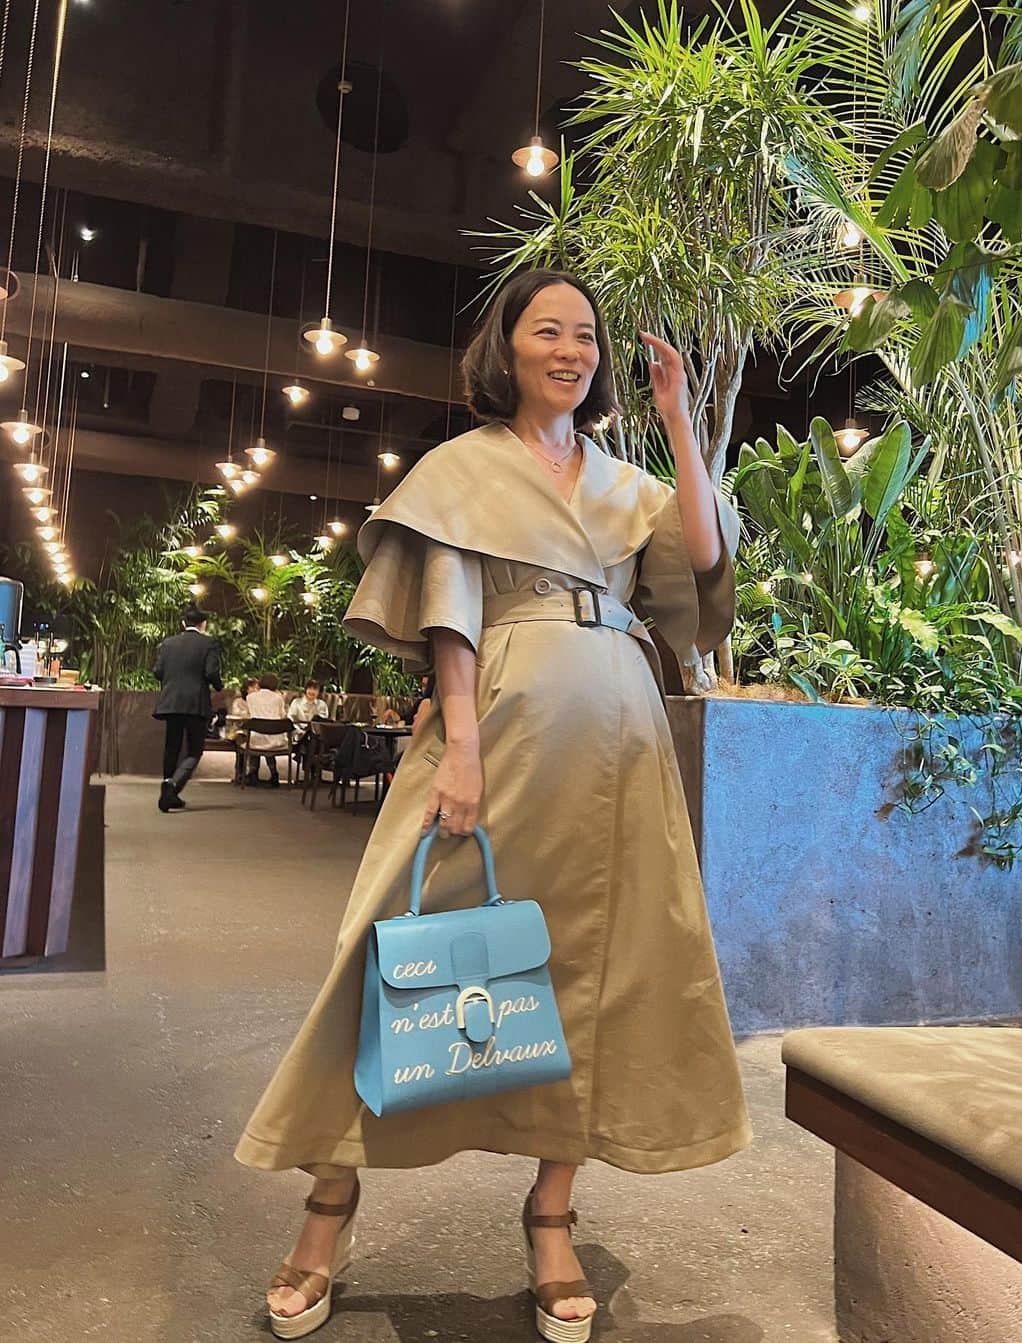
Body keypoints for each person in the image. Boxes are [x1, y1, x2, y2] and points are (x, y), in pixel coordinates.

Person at [236, 268, 750, 1342]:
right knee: (395, 943)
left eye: (586, 336)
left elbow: (696, 572)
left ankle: (552, 1213)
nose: (570, 348)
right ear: (506, 348)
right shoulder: (460, 470)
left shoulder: (623, 483)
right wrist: (458, 748)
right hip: (503, 729)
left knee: (600, 974)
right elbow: (449, 617)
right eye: (546, 330)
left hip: (621, 740)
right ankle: (327, 1205)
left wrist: (680, 425)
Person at [152, 606, 222, 813]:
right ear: (203, 624)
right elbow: (210, 672)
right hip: (195, 703)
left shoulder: (168, 643)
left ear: (184, 624)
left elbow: (157, 671)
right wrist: (219, 686)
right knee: (195, 750)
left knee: (171, 747)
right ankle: (173, 785)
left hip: (171, 702)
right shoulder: (208, 643)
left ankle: (168, 788)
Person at [244, 673, 288, 787]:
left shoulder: (250, 697)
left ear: (260, 683)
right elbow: (283, 715)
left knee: (254, 737)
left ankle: (253, 773)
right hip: (276, 740)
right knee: (268, 738)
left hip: (255, 738)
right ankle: (274, 773)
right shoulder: (279, 698)